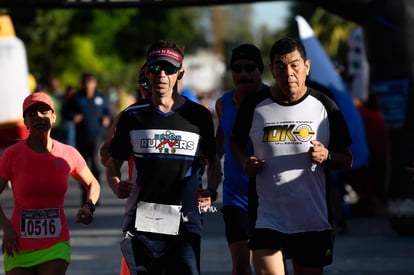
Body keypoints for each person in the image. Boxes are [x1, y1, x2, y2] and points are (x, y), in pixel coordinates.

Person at [231, 37, 353, 275]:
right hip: (267, 218)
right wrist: (245, 161)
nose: (289, 73)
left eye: (295, 65)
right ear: (272, 70)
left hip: (312, 219)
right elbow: (235, 140)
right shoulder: (255, 105)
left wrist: (327, 156)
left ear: (306, 67)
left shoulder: (324, 105)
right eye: (281, 66)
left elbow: (347, 160)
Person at [105, 40, 222, 274]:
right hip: (142, 222)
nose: (161, 75)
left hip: (186, 221)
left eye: (168, 69)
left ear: (180, 73)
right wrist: (115, 183)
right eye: (156, 68)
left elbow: (214, 163)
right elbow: (112, 163)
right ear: (147, 71)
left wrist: (211, 190)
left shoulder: (198, 116)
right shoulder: (132, 116)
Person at [0, 92, 100, 275]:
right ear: (25, 123)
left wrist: (89, 206)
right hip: (18, 243)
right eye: (31, 114)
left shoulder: (67, 153)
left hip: (56, 243)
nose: (38, 117)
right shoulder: (12, 155)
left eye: (43, 112)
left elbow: (93, 183)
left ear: (53, 117)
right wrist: (6, 228)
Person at [215, 43, 267, 275]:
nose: (243, 74)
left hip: (269, 196)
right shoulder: (222, 104)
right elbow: (219, 145)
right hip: (235, 197)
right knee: (241, 265)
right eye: (237, 69)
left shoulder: (272, 102)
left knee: (268, 265)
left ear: (260, 70)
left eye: (249, 67)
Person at [68, 72, 112, 203]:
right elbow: (66, 112)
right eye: (86, 82)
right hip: (81, 137)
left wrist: (107, 119)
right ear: (83, 84)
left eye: (91, 82)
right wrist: (73, 116)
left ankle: (95, 193)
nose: (88, 85)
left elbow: (108, 113)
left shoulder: (101, 98)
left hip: (97, 136)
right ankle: (85, 194)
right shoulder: (76, 98)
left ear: (95, 83)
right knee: (82, 167)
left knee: (95, 165)